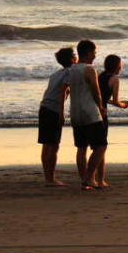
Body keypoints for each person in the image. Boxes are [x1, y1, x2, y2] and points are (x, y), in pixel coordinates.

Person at [67, 39, 106, 190]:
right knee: (101, 146)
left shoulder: (72, 69)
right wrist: (101, 107)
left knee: (81, 147)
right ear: (88, 52)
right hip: (89, 112)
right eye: (94, 52)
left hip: (75, 112)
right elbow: (96, 92)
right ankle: (90, 177)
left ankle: (84, 179)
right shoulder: (89, 69)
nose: (95, 55)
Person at [38, 47, 76, 186]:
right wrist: (61, 112)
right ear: (72, 59)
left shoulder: (55, 74)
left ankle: (47, 176)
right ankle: (50, 178)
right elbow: (63, 92)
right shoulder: (70, 72)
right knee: (53, 145)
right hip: (53, 109)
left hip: (44, 108)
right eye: (74, 55)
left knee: (46, 144)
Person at [95, 54, 128, 188]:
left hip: (92, 111)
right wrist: (124, 105)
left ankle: (94, 179)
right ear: (117, 66)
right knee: (101, 147)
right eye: (120, 64)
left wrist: (115, 102)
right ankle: (99, 180)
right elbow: (116, 102)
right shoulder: (115, 79)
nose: (121, 67)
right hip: (102, 114)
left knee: (95, 147)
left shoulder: (99, 76)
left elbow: (101, 97)